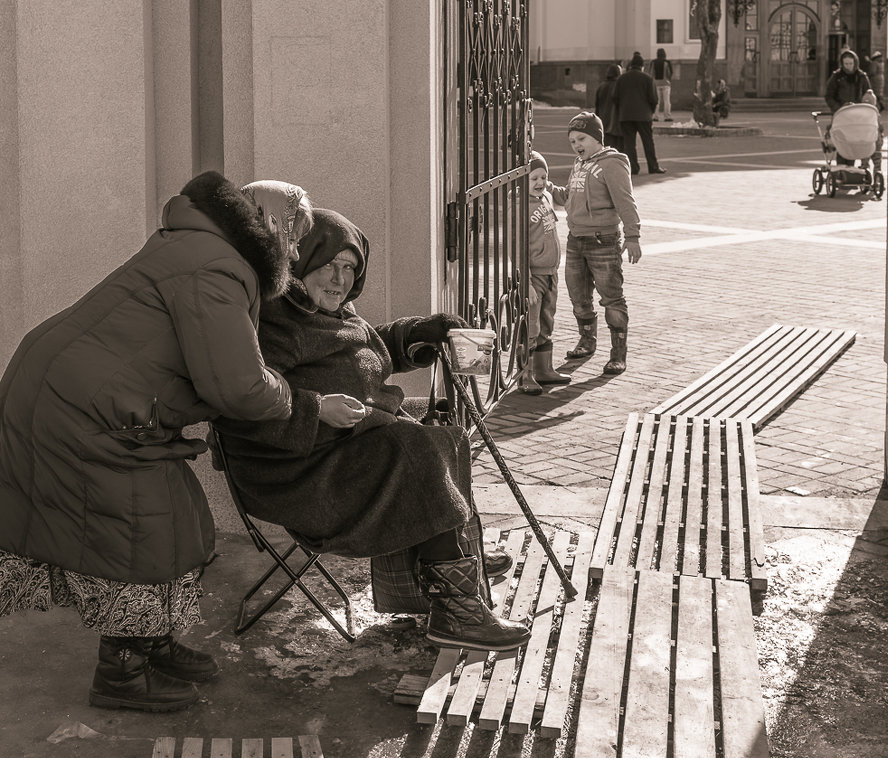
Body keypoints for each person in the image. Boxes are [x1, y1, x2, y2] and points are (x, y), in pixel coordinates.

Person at [0, 172, 310, 712]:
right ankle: (122, 672)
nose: (298, 250)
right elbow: (235, 384)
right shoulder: (217, 264)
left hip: (76, 392)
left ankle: (151, 641)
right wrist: (296, 401)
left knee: (180, 515)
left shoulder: (201, 245)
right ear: (273, 226)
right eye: (297, 235)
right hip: (80, 407)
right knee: (145, 523)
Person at [215, 208, 531, 652]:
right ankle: (455, 611)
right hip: (296, 474)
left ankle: (456, 560)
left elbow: (364, 350)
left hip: (342, 452)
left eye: (349, 269)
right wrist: (314, 410)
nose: (339, 279)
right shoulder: (274, 323)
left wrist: (420, 332)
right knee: (415, 449)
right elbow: (240, 408)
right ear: (300, 264)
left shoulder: (335, 314)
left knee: (445, 432)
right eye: (328, 266)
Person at [549, 112, 642, 375]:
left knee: (611, 298)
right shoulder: (580, 163)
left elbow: (626, 201)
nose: (577, 145)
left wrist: (633, 236)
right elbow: (568, 197)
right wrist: (548, 188)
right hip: (576, 240)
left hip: (603, 241)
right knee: (579, 297)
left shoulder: (612, 163)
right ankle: (587, 341)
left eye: (582, 138)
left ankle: (618, 354)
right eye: (572, 141)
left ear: (597, 137)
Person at [520, 151, 571, 395]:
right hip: (534, 276)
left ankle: (544, 369)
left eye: (544, 177)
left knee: (547, 320)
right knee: (531, 325)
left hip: (551, 273)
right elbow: (517, 248)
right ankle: (525, 374)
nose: (540, 183)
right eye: (534, 178)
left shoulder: (547, 197)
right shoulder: (518, 206)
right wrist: (526, 283)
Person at [615, 52, 665, 175]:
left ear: (631, 66)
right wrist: (651, 112)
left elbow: (615, 97)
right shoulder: (647, 79)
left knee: (629, 144)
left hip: (626, 116)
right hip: (644, 116)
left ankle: (633, 167)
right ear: (642, 66)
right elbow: (654, 99)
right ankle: (653, 167)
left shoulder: (621, 78)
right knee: (648, 142)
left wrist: (621, 109)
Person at [824, 49, 873, 166]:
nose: (848, 67)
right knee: (842, 141)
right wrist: (837, 108)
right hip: (841, 113)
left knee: (855, 141)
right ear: (842, 63)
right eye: (846, 64)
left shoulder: (861, 77)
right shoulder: (837, 77)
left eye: (850, 64)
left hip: (857, 115)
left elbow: (869, 94)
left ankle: (852, 168)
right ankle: (842, 169)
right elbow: (829, 96)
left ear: (855, 63)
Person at [595, 63, 624, 155]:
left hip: (603, 122)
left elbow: (597, 105)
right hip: (616, 123)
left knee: (606, 151)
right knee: (619, 151)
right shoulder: (619, 86)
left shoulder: (601, 86)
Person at [650, 48, 674, 121]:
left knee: (657, 101)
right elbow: (670, 73)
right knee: (667, 101)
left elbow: (651, 73)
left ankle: (655, 116)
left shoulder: (653, 62)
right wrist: (669, 80)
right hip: (666, 83)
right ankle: (667, 116)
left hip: (656, 84)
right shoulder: (667, 62)